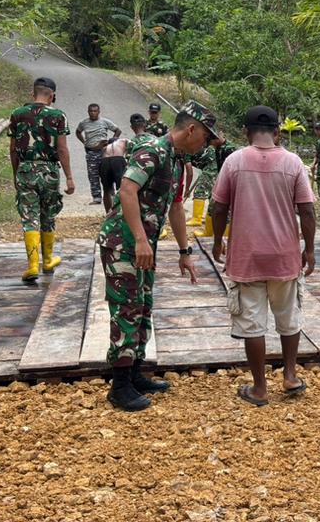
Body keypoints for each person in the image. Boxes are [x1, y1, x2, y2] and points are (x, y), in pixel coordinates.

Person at [97, 101, 218, 411]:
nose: (205, 144)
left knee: (143, 306)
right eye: (205, 137)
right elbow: (127, 190)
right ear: (191, 129)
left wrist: (184, 251)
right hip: (123, 243)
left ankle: (134, 373)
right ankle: (119, 387)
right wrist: (140, 239)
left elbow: (176, 207)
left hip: (144, 245)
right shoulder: (153, 150)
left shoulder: (177, 160)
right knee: (126, 308)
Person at [210, 105, 317, 407]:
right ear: (277, 132)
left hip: (247, 257)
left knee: (252, 324)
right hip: (284, 255)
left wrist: (217, 241)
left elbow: (219, 207)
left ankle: (259, 389)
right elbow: (307, 210)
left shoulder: (234, 161)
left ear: (246, 131)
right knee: (289, 316)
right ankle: (290, 376)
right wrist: (309, 250)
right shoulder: (293, 163)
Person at [9, 77, 76, 283]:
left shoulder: (17, 114)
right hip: (49, 171)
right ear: (52, 95)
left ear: (33, 93)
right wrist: (69, 177)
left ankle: (32, 265)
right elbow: (62, 149)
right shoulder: (58, 116)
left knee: (29, 217)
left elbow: (13, 149)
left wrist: (16, 173)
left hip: (26, 169)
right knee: (48, 214)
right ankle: (47, 260)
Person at [187, 135, 237, 232]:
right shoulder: (217, 148)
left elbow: (189, 172)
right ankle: (208, 232)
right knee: (212, 205)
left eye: (211, 141)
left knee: (201, 191)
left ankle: (223, 235)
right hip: (219, 176)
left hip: (224, 179)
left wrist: (187, 189)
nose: (210, 144)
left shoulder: (230, 149)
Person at [75, 103, 121, 205]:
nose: (93, 113)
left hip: (104, 152)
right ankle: (96, 197)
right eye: (91, 111)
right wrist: (84, 142)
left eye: (95, 111)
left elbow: (118, 130)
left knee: (107, 174)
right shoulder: (84, 123)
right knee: (93, 175)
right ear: (88, 112)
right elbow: (78, 132)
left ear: (99, 112)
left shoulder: (105, 122)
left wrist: (112, 142)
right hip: (91, 152)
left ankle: (111, 194)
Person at [100, 113, 145, 215]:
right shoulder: (123, 141)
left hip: (104, 162)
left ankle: (108, 213)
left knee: (106, 190)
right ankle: (121, 212)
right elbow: (132, 151)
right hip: (117, 160)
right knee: (122, 188)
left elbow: (101, 154)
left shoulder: (106, 147)